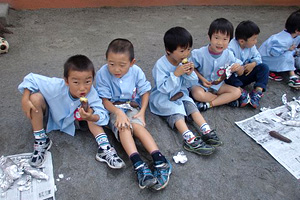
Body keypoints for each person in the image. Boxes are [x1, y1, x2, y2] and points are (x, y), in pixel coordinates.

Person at [18, 55, 125, 169]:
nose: (82, 88)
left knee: (92, 111)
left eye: (87, 81)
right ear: (66, 81)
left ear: (93, 79)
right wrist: (25, 98)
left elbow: (103, 116)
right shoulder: (56, 86)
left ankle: (104, 148)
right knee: (34, 98)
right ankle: (41, 140)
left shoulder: (92, 94)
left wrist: (91, 117)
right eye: (76, 82)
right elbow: (31, 79)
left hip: (77, 122)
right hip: (51, 117)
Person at [95, 38, 171, 190]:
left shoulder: (136, 71)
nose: (116, 69)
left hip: (131, 106)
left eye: (122, 65)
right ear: (106, 59)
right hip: (114, 108)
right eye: (111, 64)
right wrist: (118, 112)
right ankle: (139, 165)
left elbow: (145, 92)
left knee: (138, 127)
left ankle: (160, 160)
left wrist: (142, 112)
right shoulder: (102, 73)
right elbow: (104, 100)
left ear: (132, 62)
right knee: (124, 127)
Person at [149, 27, 222, 158]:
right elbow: (163, 88)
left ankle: (206, 129)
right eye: (182, 51)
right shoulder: (160, 65)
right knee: (176, 111)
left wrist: (190, 73)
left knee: (191, 105)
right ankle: (190, 139)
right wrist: (176, 74)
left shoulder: (185, 61)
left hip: (180, 93)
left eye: (188, 49)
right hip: (163, 97)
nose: (186, 54)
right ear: (168, 51)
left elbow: (190, 83)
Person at [190, 18, 244, 111]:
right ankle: (223, 99)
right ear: (209, 37)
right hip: (200, 84)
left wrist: (238, 68)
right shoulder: (199, 53)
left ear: (229, 41)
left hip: (218, 86)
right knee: (197, 94)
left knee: (237, 92)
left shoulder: (229, 54)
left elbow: (241, 72)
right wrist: (202, 79)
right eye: (216, 38)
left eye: (225, 39)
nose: (220, 42)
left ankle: (209, 104)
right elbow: (191, 68)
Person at [225, 20, 269, 109]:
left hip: (245, 73)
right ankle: (242, 93)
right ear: (241, 41)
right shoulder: (230, 46)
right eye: (254, 39)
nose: (256, 41)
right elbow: (231, 61)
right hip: (233, 77)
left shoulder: (251, 47)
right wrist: (242, 66)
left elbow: (258, 58)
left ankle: (257, 93)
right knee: (226, 74)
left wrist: (253, 64)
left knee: (264, 67)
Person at [259, 9, 300, 88]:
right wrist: (288, 49)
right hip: (265, 60)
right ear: (297, 30)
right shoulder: (285, 41)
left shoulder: (290, 34)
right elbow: (274, 52)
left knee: (290, 54)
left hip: (269, 56)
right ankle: (292, 77)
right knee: (288, 56)